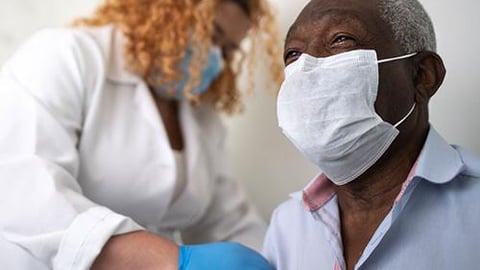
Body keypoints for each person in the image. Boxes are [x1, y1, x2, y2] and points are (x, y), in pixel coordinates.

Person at [0, 0, 282, 269]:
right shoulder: (67, 56)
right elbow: (23, 190)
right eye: (212, 35)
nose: (216, 58)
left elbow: (229, 222)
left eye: (228, 50)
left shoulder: (201, 115)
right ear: (167, 11)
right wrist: (168, 261)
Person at [263, 0, 480, 269]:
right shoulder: (287, 226)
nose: (306, 68)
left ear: (423, 76)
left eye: (341, 39)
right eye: (293, 54)